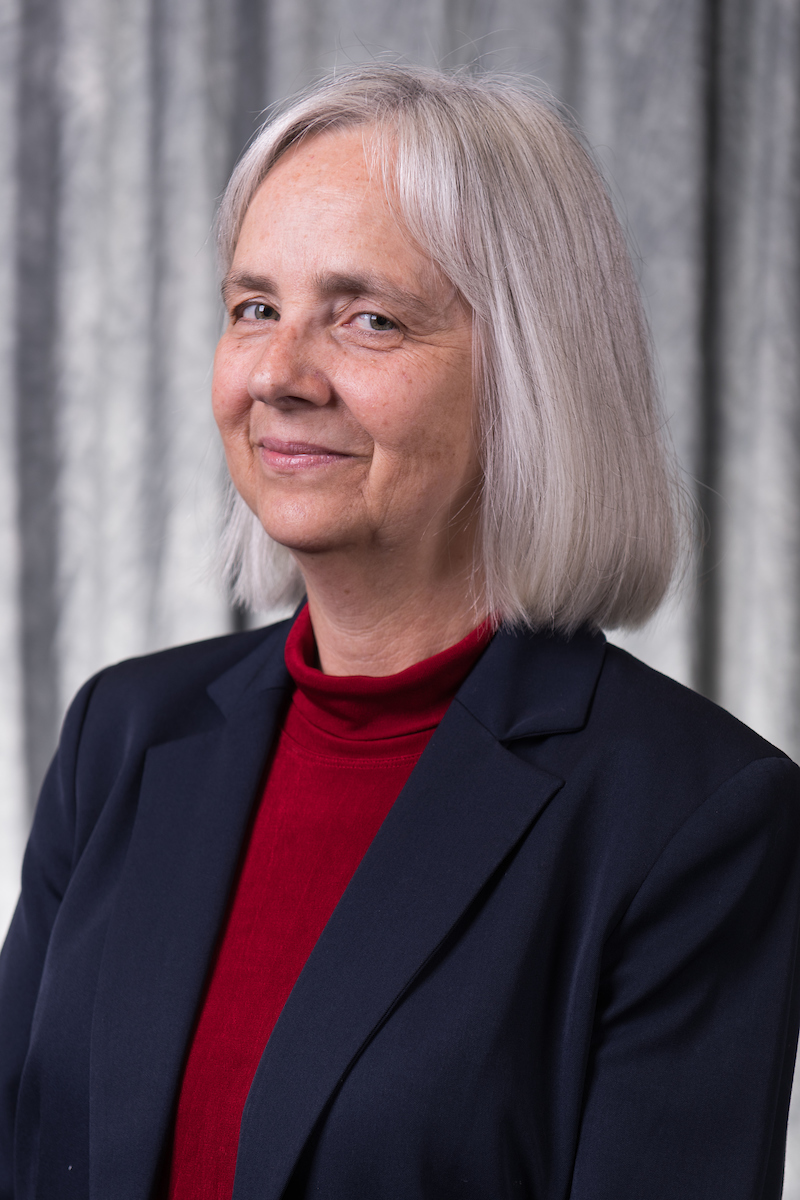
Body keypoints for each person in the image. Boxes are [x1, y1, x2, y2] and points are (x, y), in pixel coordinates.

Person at [1, 64, 799, 1200]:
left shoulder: (690, 819)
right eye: (254, 308)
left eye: (367, 318)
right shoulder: (121, 734)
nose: (279, 375)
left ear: (530, 375)